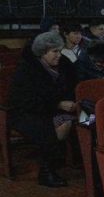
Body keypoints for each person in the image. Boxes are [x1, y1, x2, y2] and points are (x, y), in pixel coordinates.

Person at [8, 32, 77, 187]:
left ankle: (70, 160)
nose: (59, 55)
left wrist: (71, 101)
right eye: (54, 51)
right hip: (27, 112)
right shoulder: (27, 69)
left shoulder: (64, 64)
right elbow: (25, 101)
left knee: (80, 121)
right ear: (42, 52)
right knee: (47, 128)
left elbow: (74, 84)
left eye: (60, 50)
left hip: (56, 108)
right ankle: (46, 171)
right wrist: (58, 104)